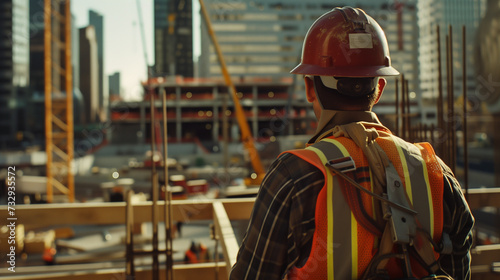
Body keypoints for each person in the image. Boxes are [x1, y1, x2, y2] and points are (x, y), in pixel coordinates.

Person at [229, 6, 474, 280]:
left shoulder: (293, 177)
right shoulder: (437, 175)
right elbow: (458, 270)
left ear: (310, 88)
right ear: (379, 88)